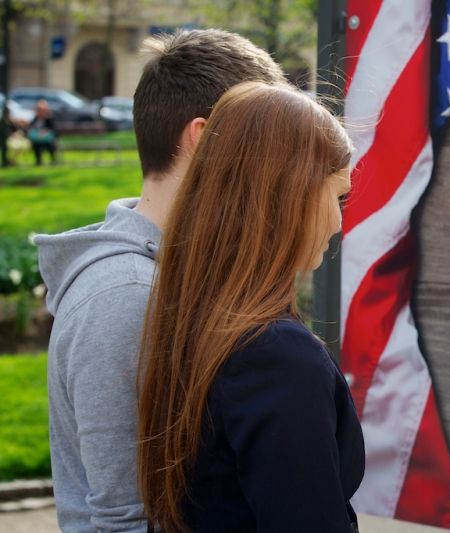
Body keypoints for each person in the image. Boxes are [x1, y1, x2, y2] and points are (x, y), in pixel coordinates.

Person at [34, 30, 287, 532]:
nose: (277, 163)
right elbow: (123, 519)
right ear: (204, 136)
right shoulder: (126, 297)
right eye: (261, 137)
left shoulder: (168, 275)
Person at [137, 82, 363, 532]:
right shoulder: (278, 357)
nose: (339, 222)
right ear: (285, 195)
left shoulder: (189, 320)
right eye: (335, 196)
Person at [28, 99, 58, 165]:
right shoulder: (35, 119)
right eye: (39, 110)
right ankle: (38, 160)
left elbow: (54, 129)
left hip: (47, 139)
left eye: (42, 110)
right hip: (37, 139)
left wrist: (45, 132)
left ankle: (53, 160)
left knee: (50, 144)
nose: (40, 112)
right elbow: (30, 127)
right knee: (36, 144)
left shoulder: (49, 119)